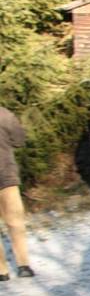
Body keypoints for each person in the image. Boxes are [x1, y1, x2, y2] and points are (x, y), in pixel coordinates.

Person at [0, 106, 34, 280]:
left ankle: (1, 271)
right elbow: (19, 140)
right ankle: (23, 265)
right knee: (15, 223)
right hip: (6, 175)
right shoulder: (4, 114)